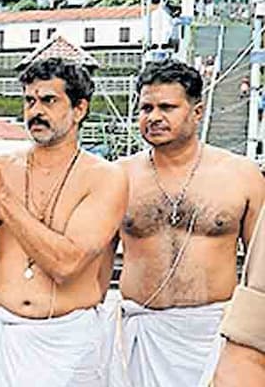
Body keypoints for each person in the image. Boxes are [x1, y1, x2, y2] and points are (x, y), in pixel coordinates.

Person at [0, 57, 128, 386]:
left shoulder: (106, 178)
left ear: (79, 109)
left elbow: (66, 264)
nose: (35, 111)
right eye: (29, 100)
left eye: (49, 100)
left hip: (68, 346)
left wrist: (0, 194)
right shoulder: (2, 167)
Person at [111, 60, 263, 387]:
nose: (153, 117)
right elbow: (94, 260)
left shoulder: (242, 175)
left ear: (196, 112)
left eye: (167, 107)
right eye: (146, 108)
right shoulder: (117, 177)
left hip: (216, 334)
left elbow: (259, 270)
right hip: (142, 334)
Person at [210, 203, 265, 386]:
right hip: (144, 331)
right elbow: (245, 357)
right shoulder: (129, 179)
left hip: (213, 321)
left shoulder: (245, 180)